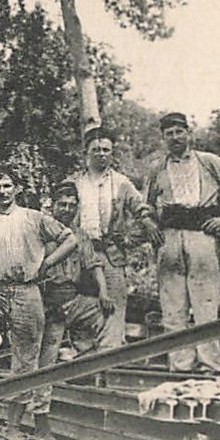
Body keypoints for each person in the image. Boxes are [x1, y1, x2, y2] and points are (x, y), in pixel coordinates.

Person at [0, 170, 77, 440]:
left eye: (7, 186)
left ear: (16, 189)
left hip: (27, 291)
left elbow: (70, 239)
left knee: (26, 361)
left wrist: (47, 264)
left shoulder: (33, 218)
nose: (2, 191)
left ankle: (13, 428)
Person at [143, 111, 220, 373]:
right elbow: (143, 204)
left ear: (189, 133)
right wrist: (149, 224)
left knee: (205, 303)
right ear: (163, 138)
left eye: (179, 132)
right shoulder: (157, 167)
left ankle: (210, 363)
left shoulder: (208, 162)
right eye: (169, 134)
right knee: (172, 305)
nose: (175, 138)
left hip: (201, 235)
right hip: (169, 237)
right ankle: (180, 364)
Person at [30, 181, 112, 437]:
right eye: (61, 205)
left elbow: (94, 264)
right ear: (52, 205)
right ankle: (40, 417)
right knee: (46, 361)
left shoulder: (80, 234)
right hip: (47, 300)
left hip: (73, 298)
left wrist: (104, 293)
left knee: (105, 316)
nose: (66, 210)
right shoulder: (40, 230)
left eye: (71, 206)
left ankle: (81, 366)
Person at [71, 125, 160, 350]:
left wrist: (145, 222)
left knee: (112, 306)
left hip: (109, 254)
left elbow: (140, 205)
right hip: (77, 255)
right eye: (96, 149)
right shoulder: (74, 183)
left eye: (106, 150)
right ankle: (81, 359)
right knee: (79, 306)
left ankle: (110, 358)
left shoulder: (120, 182)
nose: (101, 154)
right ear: (86, 152)